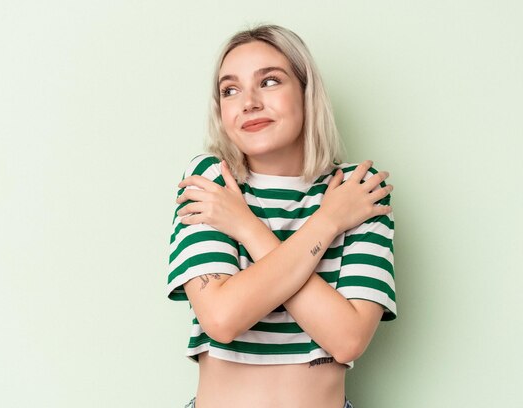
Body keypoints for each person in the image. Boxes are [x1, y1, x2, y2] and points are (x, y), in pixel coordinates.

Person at [167, 24, 396, 408]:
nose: (249, 102)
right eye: (230, 90)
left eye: (269, 81)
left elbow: (347, 340)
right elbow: (222, 318)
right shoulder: (211, 181)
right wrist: (328, 223)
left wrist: (246, 227)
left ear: (307, 93)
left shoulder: (357, 189)